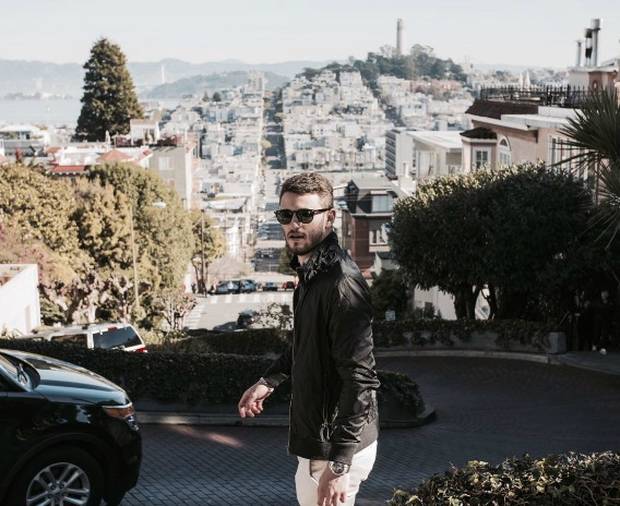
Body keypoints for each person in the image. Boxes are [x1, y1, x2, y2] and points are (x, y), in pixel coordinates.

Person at [238, 172, 380, 506]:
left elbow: (361, 379)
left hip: (334, 448)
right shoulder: (312, 273)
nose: (294, 224)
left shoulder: (340, 284)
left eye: (305, 214)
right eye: (285, 215)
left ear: (330, 217)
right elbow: (308, 343)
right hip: (322, 442)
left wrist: (340, 464)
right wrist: (269, 380)